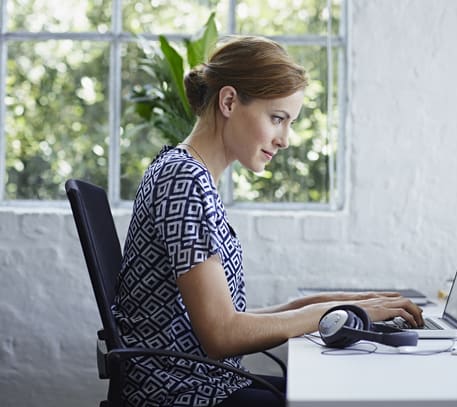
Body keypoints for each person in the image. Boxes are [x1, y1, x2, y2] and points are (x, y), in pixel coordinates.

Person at [113, 35, 423, 407]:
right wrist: (330, 311)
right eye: (277, 118)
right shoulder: (184, 181)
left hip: (204, 385)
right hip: (187, 396)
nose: (286, 139)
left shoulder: (188, 173)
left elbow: (226, 319)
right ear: (229, 101)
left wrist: (342, 302)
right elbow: (222, 335)